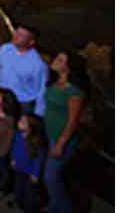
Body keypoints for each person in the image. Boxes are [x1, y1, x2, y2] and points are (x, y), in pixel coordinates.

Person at [43, 50, 87, 213]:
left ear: (68, 68)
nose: (55, 60)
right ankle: (55, 206)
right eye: (57, 57)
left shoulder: (74, 92)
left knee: (51, 177)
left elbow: (73, 121)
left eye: (60, 60)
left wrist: (61, 143)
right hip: (50, 134)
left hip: (61, 139)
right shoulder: (55, 82)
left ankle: (64, 208)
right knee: (52, 176)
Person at [0, 25, 49, 116]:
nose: (16, 36)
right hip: (0, 97)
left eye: (21, 35)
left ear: (31, 42)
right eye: (17, 32)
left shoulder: (38, 64)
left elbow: (41, 90)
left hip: (21, 103)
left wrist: (38, 113)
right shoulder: (5, 49)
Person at [10, 114, 47, 213]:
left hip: (30, 173)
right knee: (19, 187)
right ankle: (19, 201)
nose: (19, 122)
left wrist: (35, 173)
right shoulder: (18, 134)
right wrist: (13, 158)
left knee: (30, 192)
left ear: (31, 127)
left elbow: (39, 159)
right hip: (19, 168)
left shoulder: (36, 142)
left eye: (23, 121)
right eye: (20, 119)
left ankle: (30, 208)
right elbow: (15, 147)